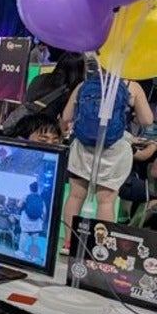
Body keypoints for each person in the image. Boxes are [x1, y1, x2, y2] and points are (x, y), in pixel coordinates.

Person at [59, 64, 153, 252]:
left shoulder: (84, 85)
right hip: (114, 150)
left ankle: (69, 243)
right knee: (107, 201)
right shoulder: (131, 87)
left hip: (83, 147)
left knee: (75, 196)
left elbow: (66, 116)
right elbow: (147, 120)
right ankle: (100, 248)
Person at [19, 181, 48, 261]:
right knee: (35, 240)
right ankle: (34, 256)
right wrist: (42, 221)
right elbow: (44, 212)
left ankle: (21, 253)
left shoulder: (26, 196)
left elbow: (19, 205)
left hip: (26, 220)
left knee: (24, 236)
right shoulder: (41, 199)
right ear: (37, 189)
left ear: (30, 188)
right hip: (37, 222)